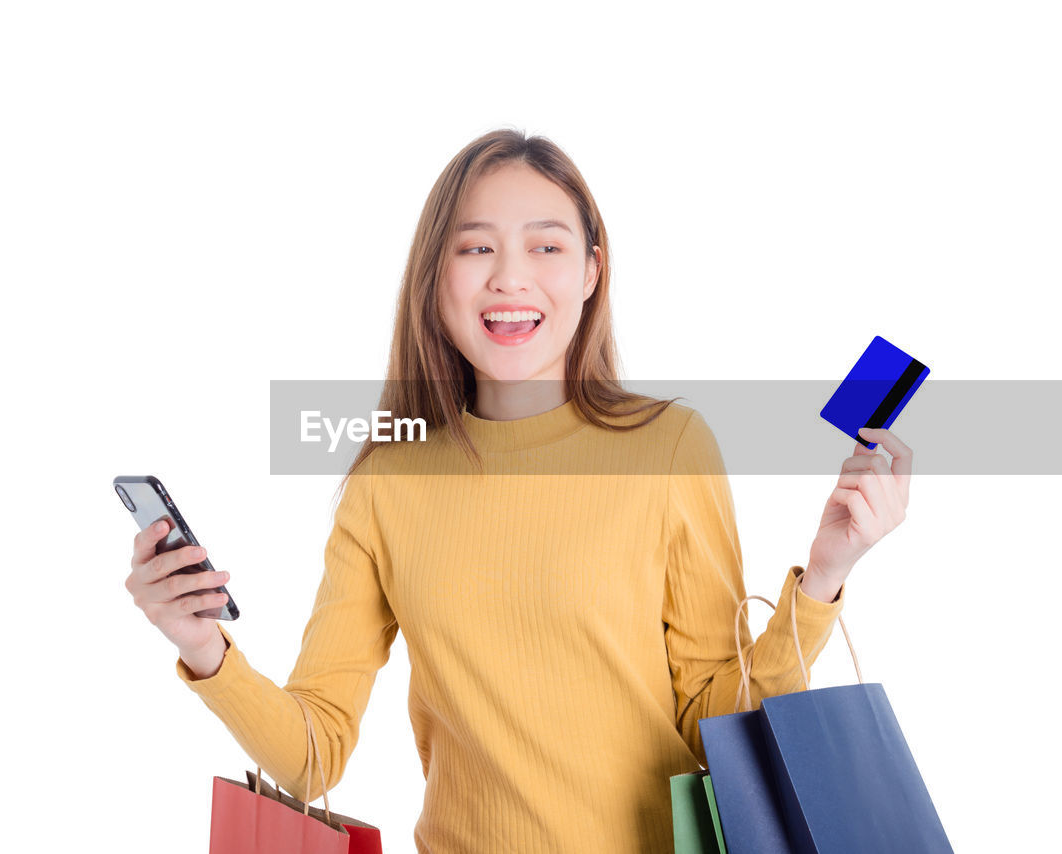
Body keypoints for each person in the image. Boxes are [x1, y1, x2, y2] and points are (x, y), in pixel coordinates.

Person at [124, 128, 913, 853]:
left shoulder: (668, 446)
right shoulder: (389, 480)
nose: (510, 278)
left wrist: (825, 576)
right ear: (436, 277)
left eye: (546, 246)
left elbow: (719, 728)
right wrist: (204, 648)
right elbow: (313, 755)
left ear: (591, 271)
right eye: (475, 248)